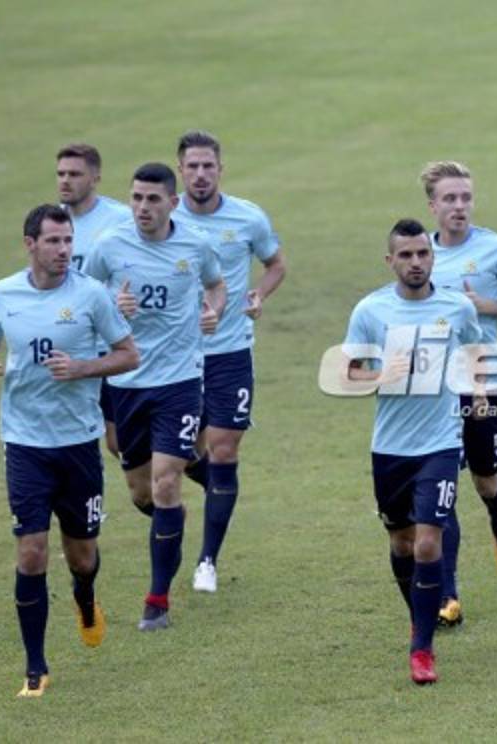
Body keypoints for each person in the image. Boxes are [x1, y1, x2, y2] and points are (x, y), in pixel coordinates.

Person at [0, 204, 139, 697]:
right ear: (30, 243)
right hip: (24, 443)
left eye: (68, 241)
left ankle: (85, 599)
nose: (64, 250)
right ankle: (35, 666)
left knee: (82, 557)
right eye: (53, 242)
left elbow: (129, 354)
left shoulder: (91, 295)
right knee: (30, 552)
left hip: (78, 445)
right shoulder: (2, 294)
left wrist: (83, 368)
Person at [84, 163, 226, 630]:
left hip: (179, 382)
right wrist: (112, 304)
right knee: (141, 491)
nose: (143, 208)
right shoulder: (110, 246)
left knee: (166, 482)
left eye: (152, 200)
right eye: (136, 199)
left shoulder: (195, 246)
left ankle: (157, 602)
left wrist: (213, 312)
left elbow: (215, 284)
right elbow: (86, 294)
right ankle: (200, 479)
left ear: (172, 202)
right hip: (125, 383)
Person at [341, 218, 482, 685]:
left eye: (422, 254)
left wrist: (477, 391)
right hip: (390, 449)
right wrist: (383, 371)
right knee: (401, 543)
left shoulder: (456, 307)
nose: (416, 262)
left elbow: (475, 351)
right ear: (390, 261)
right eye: (406, 255)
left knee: (427, 542)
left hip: (440, 443)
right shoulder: (371, 311)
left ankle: (422, 649)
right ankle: (419, 616)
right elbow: (348, 373)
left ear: (432, 257)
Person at [420, 160, 497, 627]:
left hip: (485, 381)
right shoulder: (418, 254)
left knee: (486, 480)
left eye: (465, 197)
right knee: (441, 489)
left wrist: (492, 306)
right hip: (434, 388)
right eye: (450, 199)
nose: (459, 206)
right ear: (432, 205)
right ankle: (448, 595)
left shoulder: (495, 250)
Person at [173, 130, 287, 594]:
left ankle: (207, 561)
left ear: (221, 169)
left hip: (230, 352)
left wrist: (260, 291)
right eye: (193, 167)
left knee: (224, 449)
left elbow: (276, 263)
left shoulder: (248, 217)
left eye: (209, 166)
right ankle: (217, 488)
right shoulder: (163, 218)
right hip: (174, 358)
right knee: (168, 458)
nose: (201, 175)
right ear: (180, 170)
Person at [55, 144, 132, 458]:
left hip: (109, 347)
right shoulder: (53, 222)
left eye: (74, 174)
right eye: (60, 173)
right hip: (69, 346)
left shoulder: (119, 220)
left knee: (119, 443)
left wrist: (126, 300)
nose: (65, 181)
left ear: (95, 176)